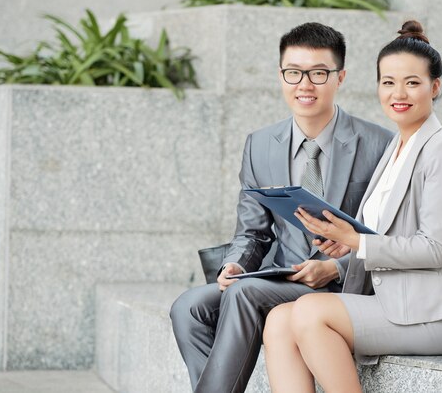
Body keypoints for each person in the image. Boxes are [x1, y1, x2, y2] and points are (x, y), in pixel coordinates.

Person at [169, 22, 394, 393]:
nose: (304, 84)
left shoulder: (377, 144)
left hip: (343, 286)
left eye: (319, 73)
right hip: (279, 275)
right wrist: (236, 264)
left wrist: (333, 268)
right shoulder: (260, 144)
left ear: (341, 77)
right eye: (294, 72)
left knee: (243, 294)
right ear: (280, 75)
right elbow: (252, 231)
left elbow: (385, 237)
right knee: (188, 307)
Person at [263, 20, 442, 393]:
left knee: (311, 313)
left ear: (435, 87)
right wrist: (344, 248)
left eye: (412, 82)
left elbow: (436, 249)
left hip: (434, 314)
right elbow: (379, 239)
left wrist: (359, 242)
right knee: (280, 319)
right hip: (389, 301)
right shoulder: (394, 148)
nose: (399, 93)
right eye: (388, 82)